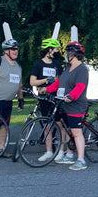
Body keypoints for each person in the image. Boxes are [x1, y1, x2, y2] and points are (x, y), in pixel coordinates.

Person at [40, 41, 89, 171]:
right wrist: (46, 89)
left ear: (74, 54)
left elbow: (80, 87)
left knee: (76, 132)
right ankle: (70, 154)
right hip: (65, 104)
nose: (66, 55)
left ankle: (81, 160)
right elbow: (59, 83)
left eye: (68, 53)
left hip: (76, 105)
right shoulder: (68, 68)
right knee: (67, 130)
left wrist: (71, 96)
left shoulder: (82, 69)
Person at [29, 38, 64, 162]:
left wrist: (56, 82)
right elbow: (32, 81)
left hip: (56, 98)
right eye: (56, 49)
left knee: (60, 124)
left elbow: (61, 80)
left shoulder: (57, 65)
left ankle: (61, 150)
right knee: (47, 124)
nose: (58, 51)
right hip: (44, 98)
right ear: (49, 50)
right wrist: (46, 81)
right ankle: (49, 151)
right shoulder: (38, 65)